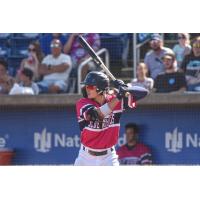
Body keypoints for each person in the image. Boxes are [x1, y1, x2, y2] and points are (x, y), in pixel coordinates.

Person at [74, 71, 149, 166]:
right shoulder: (83, 103)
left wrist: (127, 88)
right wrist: (118, 97)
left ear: (100, 89)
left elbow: (144, 93)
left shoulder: (115, 100)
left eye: (90, 87)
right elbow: (97, 114)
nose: (87, 89)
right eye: (86, 86)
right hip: (85, 157)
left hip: (108, 157)